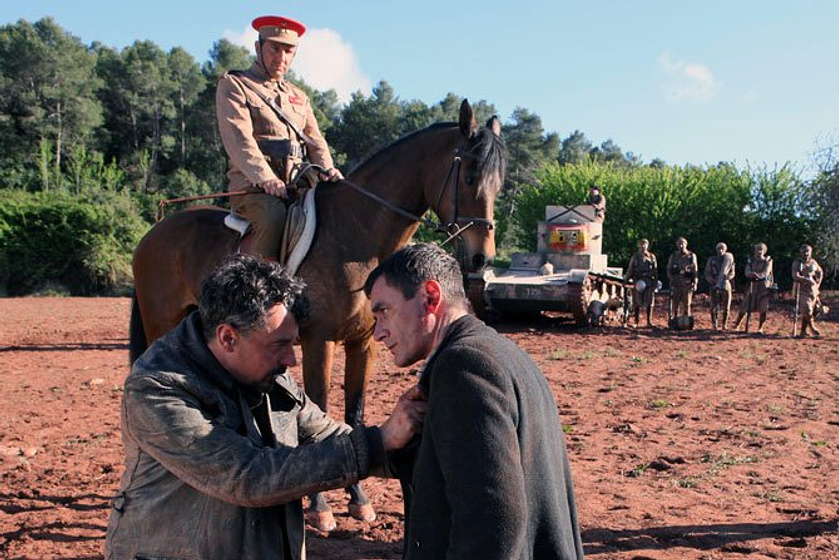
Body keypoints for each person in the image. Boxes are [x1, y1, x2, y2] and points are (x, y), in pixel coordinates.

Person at [105, 255, 425, 560]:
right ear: (228, 338)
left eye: (293, 342)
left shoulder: (268, 373)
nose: (292, 359)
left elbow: (325, 433)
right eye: (279, 345)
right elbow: (247, 476)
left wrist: (410, 445)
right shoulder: (157, 389)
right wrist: (378, 442)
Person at [364, 243, 584, 559]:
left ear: (430, 297)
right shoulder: (504, 353)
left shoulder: (463, 368)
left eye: (383, 312)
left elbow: (493, 519)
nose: (377, 334)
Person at [216, 15, 343, 260]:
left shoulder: (298, 96)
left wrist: (328, 170)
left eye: (288, 51)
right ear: (258, 47)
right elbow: (239, 141)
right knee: (274, 216)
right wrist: (266, 179)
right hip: (253, 189)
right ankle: (265, 286)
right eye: (275, 48)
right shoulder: (235, 85)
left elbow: (315, 141)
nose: (281, 57)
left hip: (298, 184)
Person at [732, 242, 774, 334]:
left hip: (764, 286)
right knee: (745, 306)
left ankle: (760, 328)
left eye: (761, 250)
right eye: (757, 249)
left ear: (764, 251)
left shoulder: (768, 261)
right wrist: (750, 274)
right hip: (752, 285)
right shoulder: (751, 260)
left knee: (763, 308)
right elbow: (747, 271)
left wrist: (758, 275)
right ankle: (737, 325)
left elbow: (766, 272)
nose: (759, 252)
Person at [791, 243, 824, 337]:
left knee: (814, 310)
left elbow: (820, 272)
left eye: (808, 251)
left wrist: (818, 283)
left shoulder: (813, 262)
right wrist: (805, 279)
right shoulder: (797, 262)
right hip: (801, 289)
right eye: (804, 251)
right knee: (807, 309)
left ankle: (803, 331)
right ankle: (813, 327)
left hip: (813, 290)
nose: (806, 254)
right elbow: (795, 276)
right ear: (800, 252)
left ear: (811, 252)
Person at [625, 238, 658, 327]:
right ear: (638, 245)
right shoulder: (635, 257)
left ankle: (649, 321)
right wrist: (626, 280)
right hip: (638, 281)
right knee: (637, 301)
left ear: (647, 245)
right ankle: (636, 321)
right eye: (641, 244)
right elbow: (630, 269)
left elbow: (655, 271)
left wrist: (655, 282)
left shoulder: (651, 257)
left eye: (645, 244)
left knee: (650, 302)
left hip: (649, 281)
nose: (643, 246)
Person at [704, 242, 736, 330]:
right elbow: (707, 272)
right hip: (714, 284)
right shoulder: (712, 260)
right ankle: (714, 324)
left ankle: (724, 324)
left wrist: (726, 278)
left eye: (722, 248)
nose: (720, 250)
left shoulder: (728, 259)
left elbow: (732, 272)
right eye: (719, 248)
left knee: (726, 306)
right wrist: (712, 280)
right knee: (713, 306)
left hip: (725, 284)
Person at [666, 237, 699, 322]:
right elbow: (669, 269)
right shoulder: (673, 256)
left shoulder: (691, 256)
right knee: (675, 304)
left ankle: (686, 321)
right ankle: (675, 321)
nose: (681, 246)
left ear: (686, 244)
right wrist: (671, 280)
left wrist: (695, 282)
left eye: (682, 244)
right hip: (676, 283)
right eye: (679, 244)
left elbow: (695, 271)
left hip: (687, 284)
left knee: (686, 304)